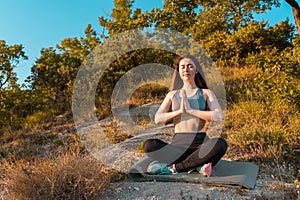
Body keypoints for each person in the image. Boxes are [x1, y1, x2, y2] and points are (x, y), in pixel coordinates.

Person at [143, 54, 227, 177]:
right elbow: (157, 118)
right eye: (182, 67)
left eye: (190, 66)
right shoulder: (172, 94)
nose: (186, 70)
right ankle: (196, 166)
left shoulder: (205, 93)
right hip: (178, 146)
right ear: (178, 71)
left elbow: (218, 116)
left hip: (200, 145)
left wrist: (191, 110)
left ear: (196, 70)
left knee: (220, 144)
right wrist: (179, 112)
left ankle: (175, 168)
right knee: (149, 145)